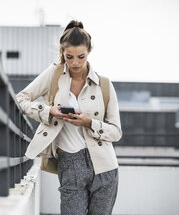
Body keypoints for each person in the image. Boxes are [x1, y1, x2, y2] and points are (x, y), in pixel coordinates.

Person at [16, 20, 122, 215]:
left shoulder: (104, 85)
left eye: (81, 57)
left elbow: (116, 132)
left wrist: (89, 122)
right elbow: (21, 99)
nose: (75, 63)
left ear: (90, 50)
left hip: (105, 165)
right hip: (69, 162)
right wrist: (48, 112)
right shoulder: (53, 75)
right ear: (62, 52)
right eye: (69, 56)